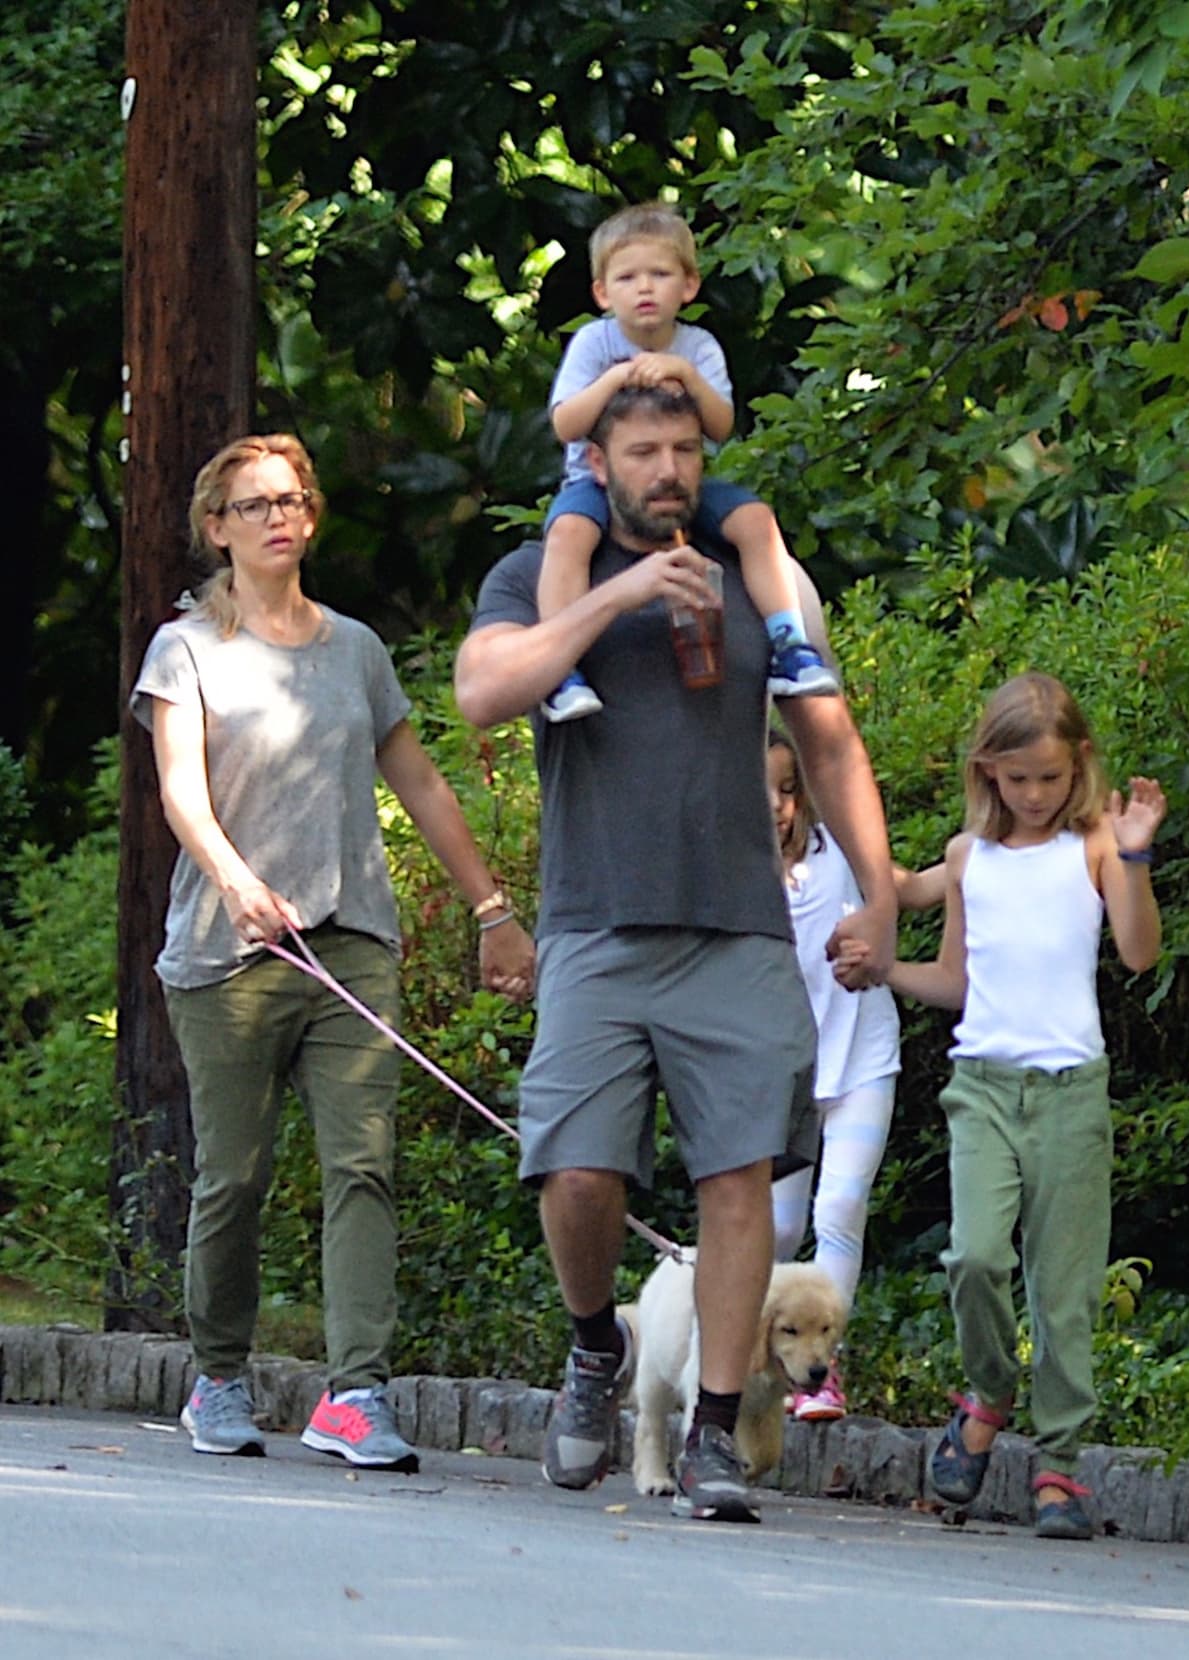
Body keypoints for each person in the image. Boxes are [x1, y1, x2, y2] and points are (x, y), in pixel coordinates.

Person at [454, 382, 898, 1523]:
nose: (667, 468)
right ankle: (597, 1344)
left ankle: (709, 1431)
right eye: (642, 449)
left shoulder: (759, 575)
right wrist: (619, 600)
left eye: (683, 449)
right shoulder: (543, 570)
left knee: (739, 1176)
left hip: (737, 929)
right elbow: (481, 693)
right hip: (596, 923)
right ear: (597, 462)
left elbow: (828, 739)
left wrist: (883, 896)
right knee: (576, 1170)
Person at [130, 433, 535, 1471]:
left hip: (351, 940)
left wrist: (491, 908)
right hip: (229, 953)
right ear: (215, 527)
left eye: (295, 499)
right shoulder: (186, 649)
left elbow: (422, 782)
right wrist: (232, 879)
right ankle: (218, 1374)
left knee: (364, 1165)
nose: (280, 515)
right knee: (236, 1175)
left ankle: (355, 1393)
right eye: (255, 503)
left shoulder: (355, 648)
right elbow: (180, 790)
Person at [846, 672, 1164, 1540]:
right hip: (982, 1084)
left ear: (1080, 767)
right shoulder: (967, 858)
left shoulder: (1095, 844)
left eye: (1050, 778)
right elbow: (953, 978)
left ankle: (1059, 1464)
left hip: (1070, 1093)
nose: (1032, 795)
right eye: (1014, 779)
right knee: (976, 1256)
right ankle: (988, 1391)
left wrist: (1133, 854)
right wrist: (882, 968)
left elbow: (1137, 954)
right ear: (987, 772)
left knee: (1063, 1292)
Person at [537, 200, 837, 721]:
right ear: (603, 293)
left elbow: (720, 427)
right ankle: (560, 667)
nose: (645, 288)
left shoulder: (698, 347)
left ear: (689, 285)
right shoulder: (593, 343)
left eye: (660, 273)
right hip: (596, 483)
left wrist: (687, 376)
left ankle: (791, 645)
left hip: (681, 484)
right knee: (568, 536)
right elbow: (565, 424)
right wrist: (615, 379)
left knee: (754, 519)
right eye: (628, 277)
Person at [766, 728, 944, 1420]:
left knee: (838, 1211)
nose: (778, 805)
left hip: (862, 1060)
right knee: (775, 1231)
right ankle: (763, 1366)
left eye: (789, 789)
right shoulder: (733, 876)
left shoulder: (839, 852)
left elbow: (909, 889)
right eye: (764, 790)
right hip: (782, 1077)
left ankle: (824, 1374)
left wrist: (977, 856)